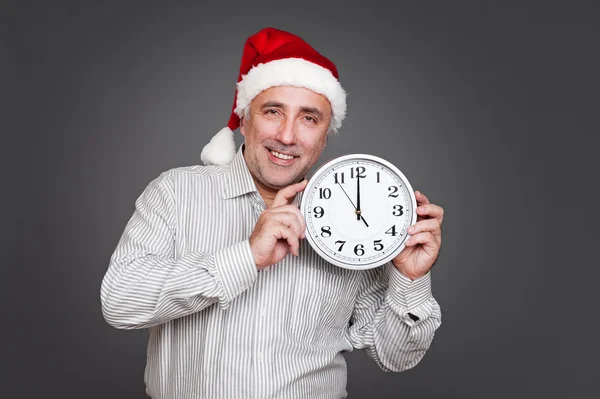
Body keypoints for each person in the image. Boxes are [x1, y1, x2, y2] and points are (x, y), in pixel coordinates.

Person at [100, 27, 444, 399]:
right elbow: (120, 302)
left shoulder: (359, 228)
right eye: (273, 111)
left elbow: (395, 357)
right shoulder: (176, 192)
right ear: (244, 118)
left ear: (326, 135)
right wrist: (247, 257)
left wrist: (410, 281)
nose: (287, 135)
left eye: (309, 119)